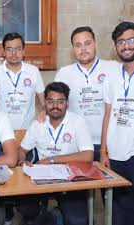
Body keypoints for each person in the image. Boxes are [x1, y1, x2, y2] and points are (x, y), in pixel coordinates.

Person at [19, 82, 94, 225]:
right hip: (41, 179)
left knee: (77, 220)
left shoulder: (77, 122)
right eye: (50, 101)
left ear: (67, 103)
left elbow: (88, 156)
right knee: (25, 208)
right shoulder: (38, 124)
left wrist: (52, 159)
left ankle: (55, 216)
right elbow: (22, 150)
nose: (55, 106)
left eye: (60, 102)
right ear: (45, 103)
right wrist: (22, 162)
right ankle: (51, 217)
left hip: (70, 179)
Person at [54, 26, 120, 161]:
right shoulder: (63, 73)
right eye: (78, 45)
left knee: (113, 182)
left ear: (95, 44)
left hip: (109, 144)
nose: (83, 49)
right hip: (76, 145)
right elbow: (54, 105)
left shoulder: (114, 68)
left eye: (87, 43)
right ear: (73, 49)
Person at [100, 21, 134, 225]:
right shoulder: (111, 77)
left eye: (131, 40)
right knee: (118, 211)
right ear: (115, 48)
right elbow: (107, 115)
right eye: (121, 42)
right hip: (115, 154)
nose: (126, 45)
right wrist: (103, 151)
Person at [0, 32, 45, 130]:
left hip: (28, 131)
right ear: (4, 52)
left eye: (18, 49)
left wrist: (44, 112)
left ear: (23, 51)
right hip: (0, 131)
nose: (13, 53)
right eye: (9, 49)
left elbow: (44, 102)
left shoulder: (33, 71)